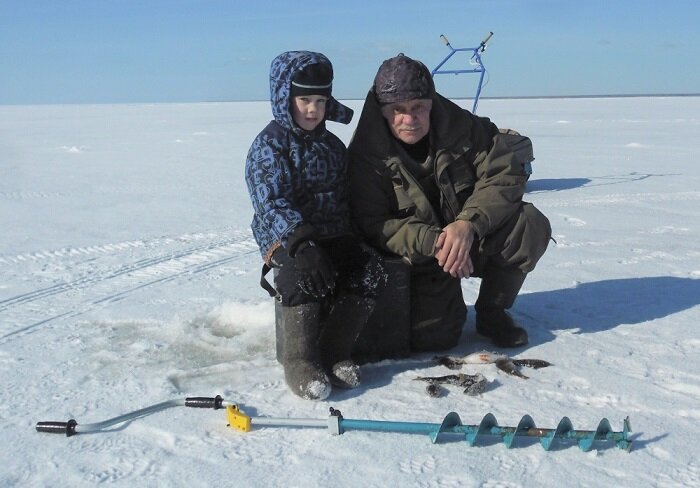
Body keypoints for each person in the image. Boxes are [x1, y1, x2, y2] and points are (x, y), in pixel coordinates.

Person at [347, 54, 551, 353]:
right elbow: (374, 223)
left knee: (527, 224)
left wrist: (469, 223)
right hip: (421, 255)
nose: (409, 119)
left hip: (470, 237)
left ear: (432, 102)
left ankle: (493, 312)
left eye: (418, 107)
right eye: (398, 110)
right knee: (437, 339)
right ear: (382, 111)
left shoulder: (465, 129)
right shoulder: (365, 157)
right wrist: (436, 242)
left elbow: (504, 173)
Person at [245, 51, 386, 401]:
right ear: (284, 98)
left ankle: (335, 350)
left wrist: (352, 239)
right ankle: (300, 359)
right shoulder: (269, 146)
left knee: (369, 269)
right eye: (304, 99)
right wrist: (302, 245)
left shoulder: (333, 146)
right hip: (286, 239)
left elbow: (343, 197)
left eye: (321, 101)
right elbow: (270, 202)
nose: (313, 109)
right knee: (301, 276)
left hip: (332, 231)